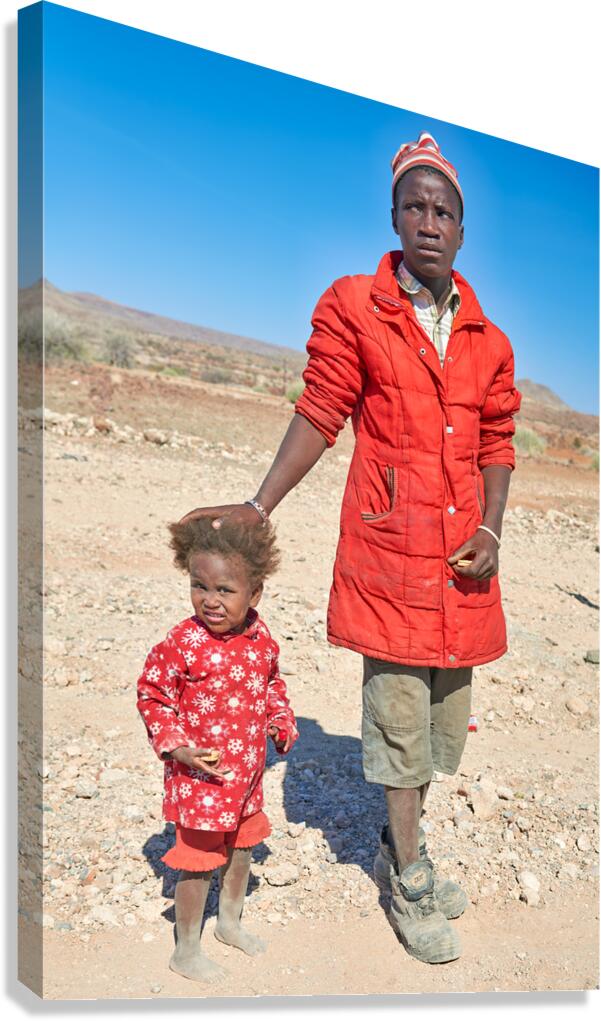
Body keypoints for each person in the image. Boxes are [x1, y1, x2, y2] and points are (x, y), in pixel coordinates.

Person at [181, 131, 521, 964]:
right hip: (390, 559)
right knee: (398, 724)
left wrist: (490, 527)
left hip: (461, 566)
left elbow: (498, 442)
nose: (429, 221)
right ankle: (406, 869)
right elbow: (322, 408)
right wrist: (262, 502)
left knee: (437, 732)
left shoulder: (486, 337)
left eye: (444, 210)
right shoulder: (354, 305)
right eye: (415, 205)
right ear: (394, 215)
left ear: (462, 230)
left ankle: (393, 841)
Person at [137, 516, 298, 984]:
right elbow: (152, 696)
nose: (210, 600)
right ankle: (186, 949)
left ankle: (229, 922)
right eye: (198, 586)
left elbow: (271, 684)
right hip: (200, 779)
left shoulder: (260, 638)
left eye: (225, 590)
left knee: (243, 848)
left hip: (247, 774)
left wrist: (281, 721)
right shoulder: (182, 643)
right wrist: (177, 748)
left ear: (255, 593)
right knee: (198, 859)